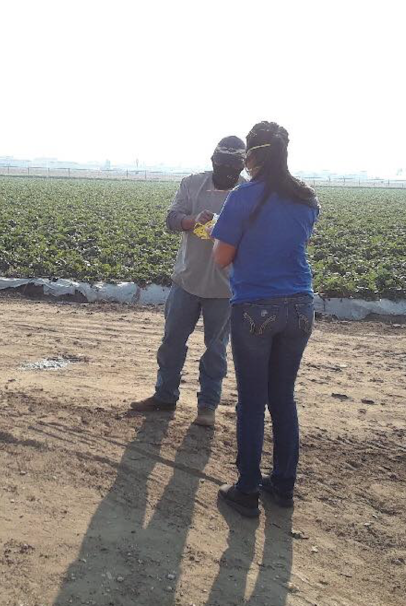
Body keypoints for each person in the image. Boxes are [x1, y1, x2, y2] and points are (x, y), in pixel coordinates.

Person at [210, 121, 320, 517]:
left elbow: (221, 257)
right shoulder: (307, 197)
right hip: (301, 308)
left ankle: (246, 489)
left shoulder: (244, 196)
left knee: (252, 403)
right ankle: (284, 485)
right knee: (283, 398)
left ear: (252, 155)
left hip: (256, 307)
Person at [130, 136, 246, 427]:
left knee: (215, 350)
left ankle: (207, 407)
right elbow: (171, 219)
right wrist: (192, 221)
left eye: (235, 168)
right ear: (213, 162)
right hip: (187, 280)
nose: (229, 172)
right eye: (223, 166)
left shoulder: (247, 192)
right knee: (171, 343)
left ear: (242, 166)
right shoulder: (192, 184)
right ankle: (165, 396)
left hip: (225, 287)